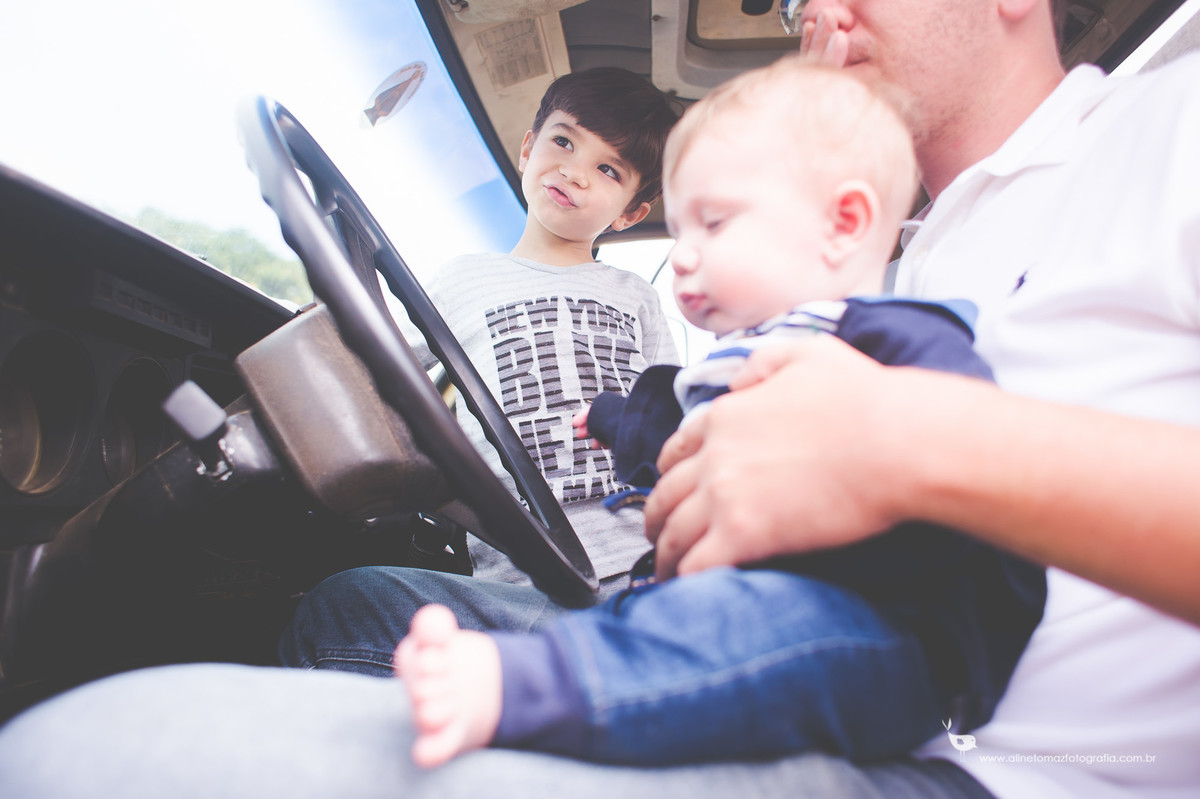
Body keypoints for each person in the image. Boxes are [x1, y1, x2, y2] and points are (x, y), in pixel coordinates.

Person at [1, 1, 1199, 797]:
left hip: (960, 756)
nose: (812, 15)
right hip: (799, 663)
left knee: (92, 759)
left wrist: (897, 441)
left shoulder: (1169, 126)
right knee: (353, 608)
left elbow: (883, 466)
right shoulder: (909, 255)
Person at [394, 60, 1044, 770]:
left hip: (880, 625)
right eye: (685, 227)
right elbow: (685, 430)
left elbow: (972, 458)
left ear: (841, 225)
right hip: (742, 590)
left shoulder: (894, 338)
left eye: (714, 223)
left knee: (736, 625)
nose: (682, 257)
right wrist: (619, 418)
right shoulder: (751, 351)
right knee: (678, 616)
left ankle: (531, 687)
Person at [386, 67, 681, 592]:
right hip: (524, 579)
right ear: (528, 148)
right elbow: (373, 363)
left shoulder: (636, 296)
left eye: (609, 170)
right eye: (563, 141)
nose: (575, 172)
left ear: (632, 213)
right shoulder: (459, 281)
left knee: (335, 609)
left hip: (645, 564)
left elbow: (666, 419)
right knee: (345, 600)